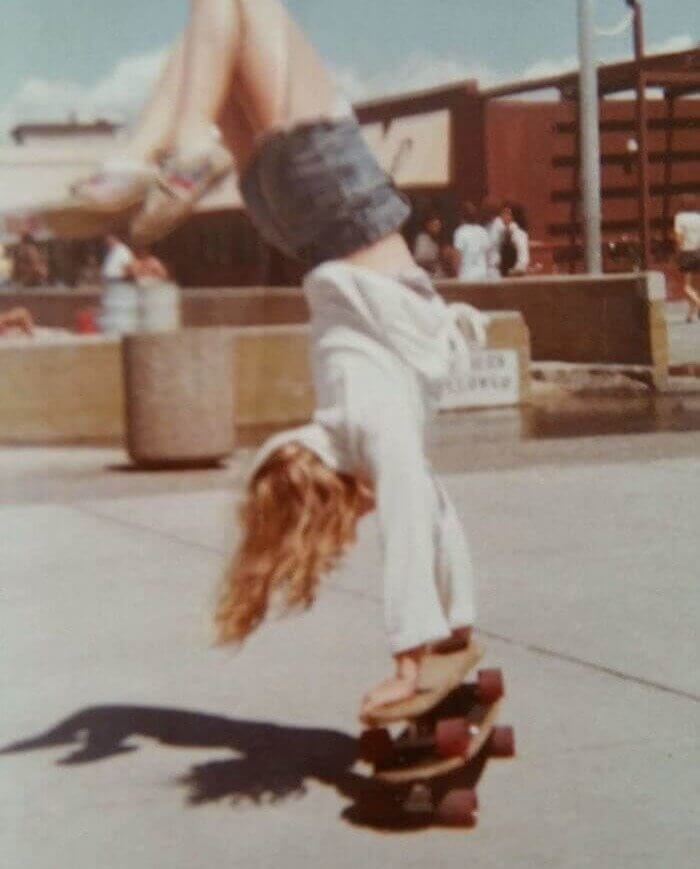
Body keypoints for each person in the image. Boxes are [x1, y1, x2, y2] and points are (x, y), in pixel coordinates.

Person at [44, 0, 486, 721]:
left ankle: (156, 153)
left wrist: (416, 649)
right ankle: (154, 152)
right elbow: (424, 507)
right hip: (296, 217)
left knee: (228, 5)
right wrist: (453, 624)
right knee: (218, 17)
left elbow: (416, 512)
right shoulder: (347, 424)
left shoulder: (372, 427)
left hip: (339, 212)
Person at [674, 194, 700, 323]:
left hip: (687, 252)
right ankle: (690, 314)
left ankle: (698, 303)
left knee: (687, 287)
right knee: (697, 286)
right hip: (699, 251)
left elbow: (679, 237)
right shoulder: (698, 217)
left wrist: (678, 252)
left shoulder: (680, 218)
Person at [453, 201, 490, 282]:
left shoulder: (460, 232)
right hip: (482, 275)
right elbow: (487, 256)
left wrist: (456, 274)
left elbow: (457, 257)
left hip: (466, 276)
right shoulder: (483, 231)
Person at [412, 212, 450, 278]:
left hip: (437, 275)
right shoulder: (422, 238)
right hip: (425, 275)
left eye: (438, 225)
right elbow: (419, 261)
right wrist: (433, 264)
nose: (437, 228)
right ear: (428, 225)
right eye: (435, 225)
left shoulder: (437, 240)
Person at [498, 203, 530, 278]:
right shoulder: (499, 233)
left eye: (507, 213)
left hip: (514, 276)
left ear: (514, 216)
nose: (504, 216)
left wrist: (515, 271)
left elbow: (523, 257)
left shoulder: (519, 234)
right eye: (503, 213)